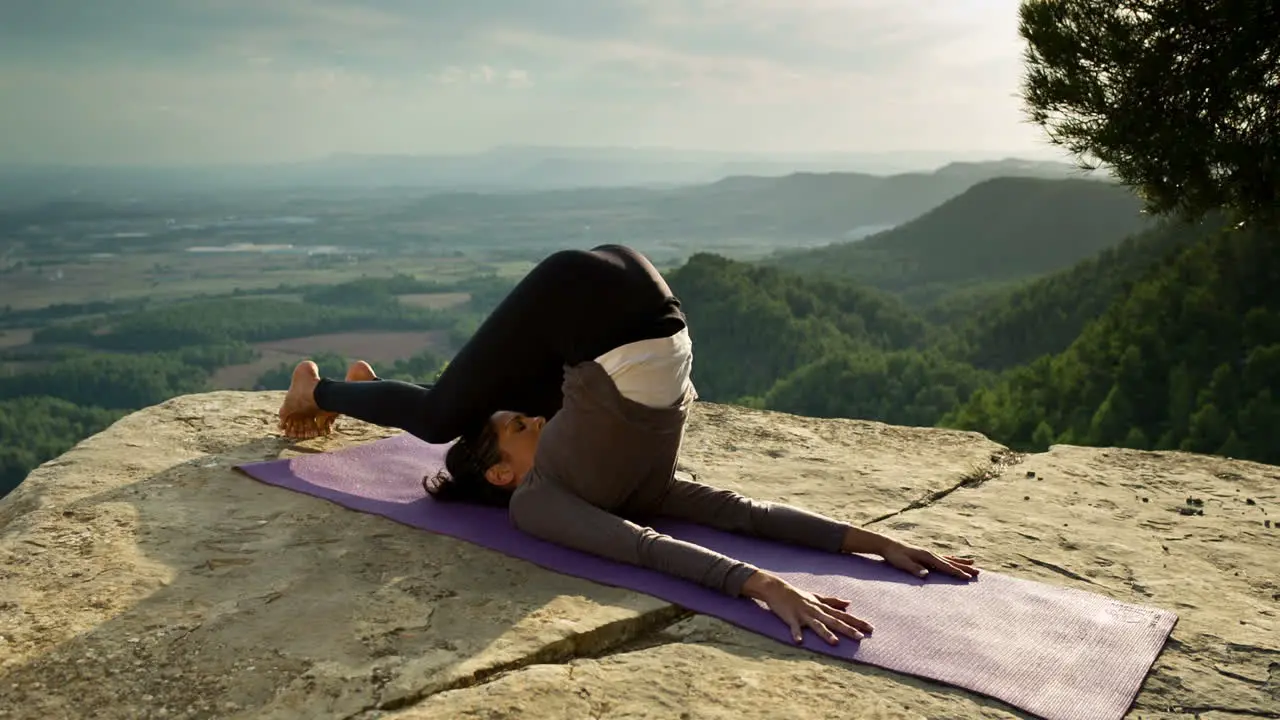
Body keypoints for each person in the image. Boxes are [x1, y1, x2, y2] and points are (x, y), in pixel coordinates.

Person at [277, 244, 979, 646]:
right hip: (645, 314)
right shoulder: (546, 501)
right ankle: (338, 390)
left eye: (520, 420)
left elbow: (728, 517)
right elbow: (696, 530)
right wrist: (792, 570)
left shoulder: (560, 475)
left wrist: (867, 541)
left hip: (593, 303)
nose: (532, 421)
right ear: (501, 476)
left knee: (441, 413)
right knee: (439, 415)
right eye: (517, 429)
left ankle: (332, 390)